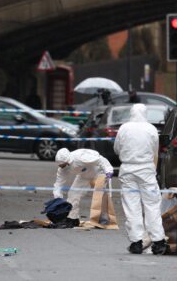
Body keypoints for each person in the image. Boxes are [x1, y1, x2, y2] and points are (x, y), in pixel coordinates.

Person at [114, 104, 168, 255]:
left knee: (132, 206)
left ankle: (136, 241)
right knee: (152, 205)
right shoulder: (151, 129)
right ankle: (158, 241)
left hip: (128, 171)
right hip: (146, 171)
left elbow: (117, 148)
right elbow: (154, 150)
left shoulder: (124, 128)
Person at [53, 148, 114, 227]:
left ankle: (102, 219)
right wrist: (58, 199)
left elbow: (101, 160)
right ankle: (73, 219)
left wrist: (109, 170)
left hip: (98, 171)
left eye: (63, 164)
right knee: (73, 194)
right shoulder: (62, 169)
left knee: (99, 195)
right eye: (60, 165)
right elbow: (58, 185)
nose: (62, 167)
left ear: (68, 161)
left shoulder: (80, 157)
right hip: (83, 176)